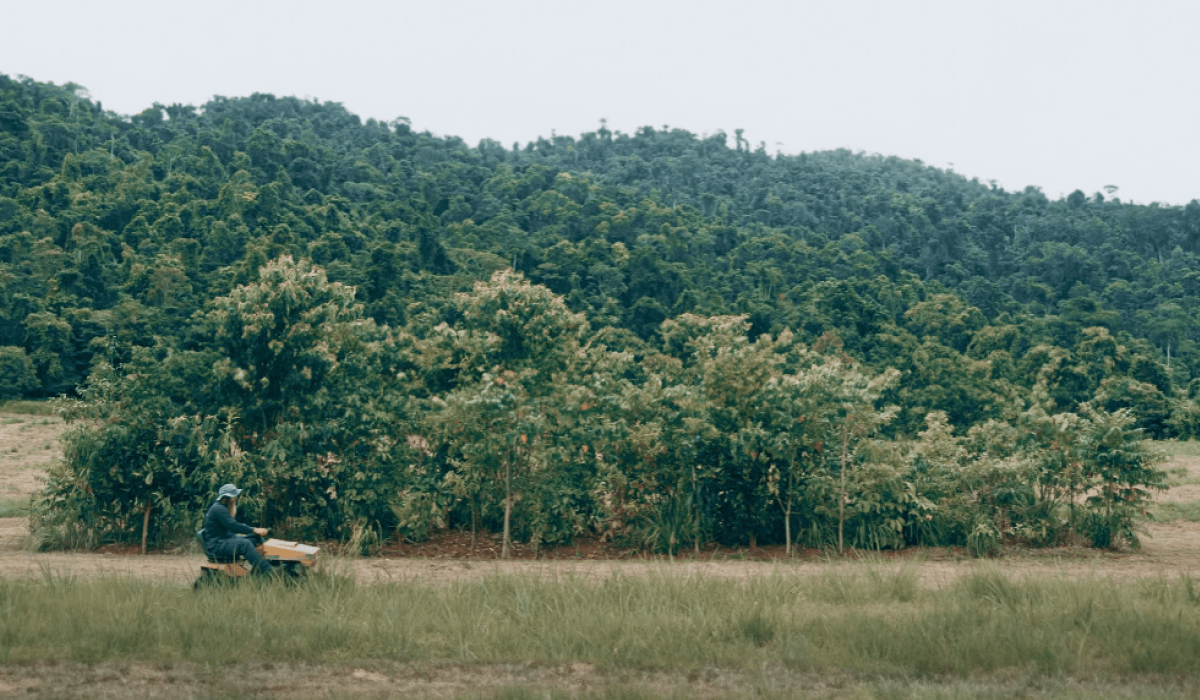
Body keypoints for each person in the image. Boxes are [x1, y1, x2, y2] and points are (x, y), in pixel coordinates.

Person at [202, 483, 274, 575]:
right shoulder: (218, 509)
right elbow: (233, 526)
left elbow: (231, 517)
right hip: (217, 544)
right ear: (225, 497)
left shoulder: (222, 507)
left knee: (255, 538)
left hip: (224, 539)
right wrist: (254, 529)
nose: (235, 498)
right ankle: (269, 572)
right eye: (233, 496)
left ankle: (265, 565)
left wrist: (232, 503)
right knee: (245, 544)